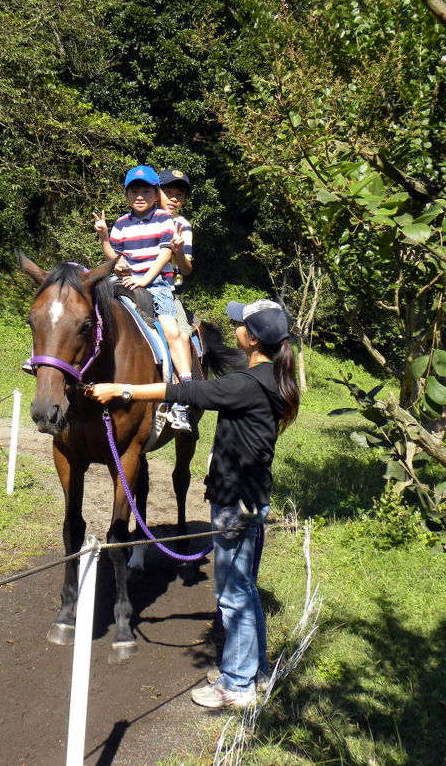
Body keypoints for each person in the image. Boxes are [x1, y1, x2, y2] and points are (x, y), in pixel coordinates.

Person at [85, 298, 300, 709]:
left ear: (252, 340)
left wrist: (121, 388)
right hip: (253, 498)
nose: (234, 327)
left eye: (240, 325)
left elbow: (184, 389)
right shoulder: (269, 376)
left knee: (233, 594)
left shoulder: (245, 384)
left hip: (235, 503)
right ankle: (253, 670)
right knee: (246, 591)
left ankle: (236, 686)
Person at [93, 165, 193, 431]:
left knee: (172, 331)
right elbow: (114, 256)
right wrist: (104, 236)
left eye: (145, 190)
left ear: (154, 193)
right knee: (93, 308)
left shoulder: (164, 219)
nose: (140, 195)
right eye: (134, 190)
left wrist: (144, 279)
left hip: (157, 284)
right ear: (126, 195)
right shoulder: (121, 224)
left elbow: (164, 255)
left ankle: (185, 393)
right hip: (126, 281)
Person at [158, 169, 194, 348]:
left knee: (182, 336)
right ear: (156, 192)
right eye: (168, 192)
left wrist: (178, 250)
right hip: (137, 284)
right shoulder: (142, 219)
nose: (173, 198)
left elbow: (187, 269)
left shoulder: (183, 225)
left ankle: (187, 376)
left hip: (169, 291)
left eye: (179, 195)